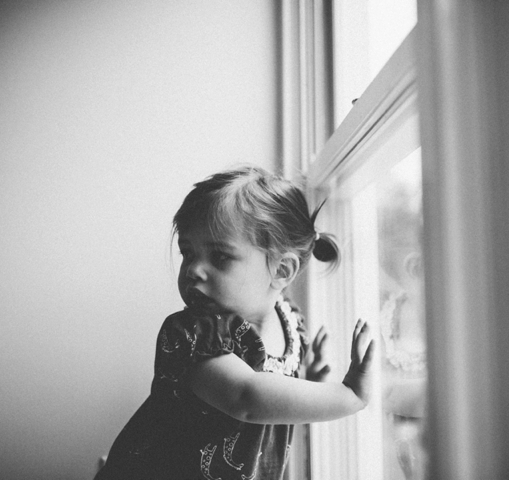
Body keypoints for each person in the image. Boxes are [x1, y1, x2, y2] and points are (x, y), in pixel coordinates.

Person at [95, 166, 375, 480]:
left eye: (220, 256)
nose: (193, 270)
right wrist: (349, 396)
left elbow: (278, 403)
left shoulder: (291, 324)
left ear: (281, 271)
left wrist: (312, 381)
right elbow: (246, 397)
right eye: (188, 252)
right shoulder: (193, 334)